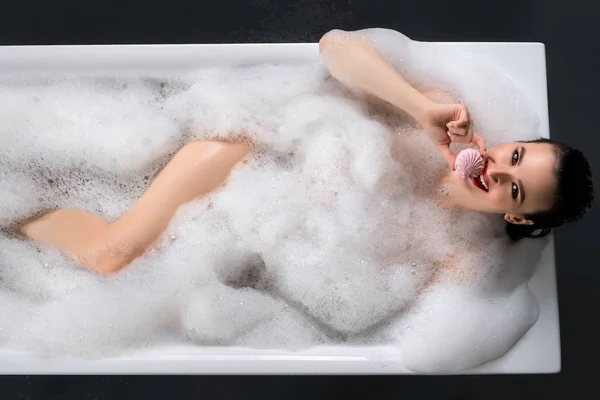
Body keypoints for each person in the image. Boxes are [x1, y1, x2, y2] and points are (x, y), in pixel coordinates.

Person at [18, 29, 594, 276]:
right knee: (110, 256)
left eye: (514, 189)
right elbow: (335, 48)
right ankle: (13, 216)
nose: (494, 170)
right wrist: (420, 110)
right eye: (514, 156)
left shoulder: (459, 257)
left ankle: (27, 203)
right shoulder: (444, 115)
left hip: (258, 224)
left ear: (516, 216)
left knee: (128, 263)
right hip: (246, 151)